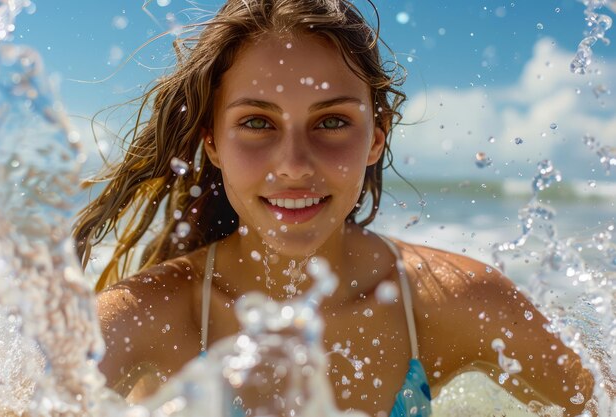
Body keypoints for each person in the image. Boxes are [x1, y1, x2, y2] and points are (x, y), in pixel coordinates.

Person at [73, 0, 597, 415]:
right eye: (257, 122)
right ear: (212, 142)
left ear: (376, 137)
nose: (295, 164)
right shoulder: (149, 317)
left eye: (331, 122)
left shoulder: (452, 303)